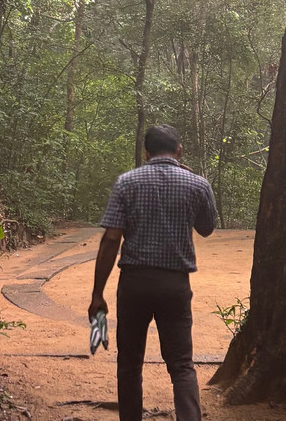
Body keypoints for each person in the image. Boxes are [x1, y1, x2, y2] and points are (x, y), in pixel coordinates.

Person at [89, 124, 217, 421]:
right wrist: (198, 186)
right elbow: (207, 229)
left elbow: (111, 239)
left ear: (146, 153)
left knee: (130, 363)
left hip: (134, 283)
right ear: (179, 150)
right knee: (182, 365)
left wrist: (97, 293)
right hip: (175, 285)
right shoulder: (197, 184)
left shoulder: (126, 182)